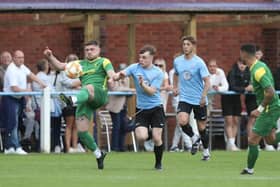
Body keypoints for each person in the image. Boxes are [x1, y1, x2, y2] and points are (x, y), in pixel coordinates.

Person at [44, 40, 115, 169]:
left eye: (92, 49)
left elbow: (111, 74)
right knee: (82, 131)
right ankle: (99, 154)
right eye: (87, 50)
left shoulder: (104, 61)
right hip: (85, 98)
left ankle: (71, 101)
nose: (89, 52)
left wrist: (112, 79)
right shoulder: (79, 64)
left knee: (88, 88)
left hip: (99, 94)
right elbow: (60, 66)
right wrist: (50, 56)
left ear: (98, 50)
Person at [113, 45, 165, 170]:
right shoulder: (134, 68)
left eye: (144, 57)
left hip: (156, 108)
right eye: (140, 57)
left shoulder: (158, 72)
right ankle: (151, 131)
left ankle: (158, 163)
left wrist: (142, 84)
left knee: (157, 139)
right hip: (141, 109)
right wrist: (115, 76)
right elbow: (120, 75)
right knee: (141, 137)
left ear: (151, 58)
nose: (141, 59)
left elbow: (152, 91)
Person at [240, 43, 280, 175]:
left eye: (241, 53)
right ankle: (249, 169)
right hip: (271, 107)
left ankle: (249, 169)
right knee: (270, 139)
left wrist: (260, 109)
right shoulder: (258, 66)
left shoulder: (258, 70)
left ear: (244, 54)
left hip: (269, 109)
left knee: (252, 139)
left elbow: (270, 92)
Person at [173, 36, 211, 161]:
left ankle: (206, 151)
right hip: (184, 98)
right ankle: (194, 138)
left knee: (202, 128)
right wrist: (175, 87)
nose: (185, 47)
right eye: (184, 44)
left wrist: (203, 96)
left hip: (199, 99)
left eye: (188, 44)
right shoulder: (178, 61)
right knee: (182, 121)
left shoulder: (199, 62)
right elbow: (175, 74)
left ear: (193, 46)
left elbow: (207, 82)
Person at [1, 50, 46, 155]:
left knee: (17, 123)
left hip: (19, 98)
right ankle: (16, 147)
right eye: (19, 57)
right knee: (13, 123)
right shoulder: (11, 70)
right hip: (10, 98)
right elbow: (14, 88)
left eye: (22, 57)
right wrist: (27, 91)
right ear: (14, 58)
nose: (21, 59)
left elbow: (31, 75)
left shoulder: (22, 67)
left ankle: (9, 147)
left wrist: (42, 83)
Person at [221, 59, 252, 151]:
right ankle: (230, 143)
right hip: (227, 99)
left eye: (244, 64)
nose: (242, 66)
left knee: (236, 121)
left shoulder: (248, 74)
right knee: (229, 121)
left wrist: (249, 88)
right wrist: (245, 89)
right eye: (241, 64)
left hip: (237, 99)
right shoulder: (232, 72)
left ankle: (232, 143)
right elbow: (232, 86)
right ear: (237, 63)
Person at [56, 54, 82, 153]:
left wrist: (77, 85)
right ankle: (67, 148)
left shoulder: (79, 71)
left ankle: (75, 147)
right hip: (68, 102)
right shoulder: (63, 72)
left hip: (78, 101)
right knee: (69, 125)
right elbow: (69, 84)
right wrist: (79, 83)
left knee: (76, 126)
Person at [106, 63, 135, 152]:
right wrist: (130, 90)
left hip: (123, 106)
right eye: (121, 72)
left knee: (123, 127)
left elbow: (127, 94)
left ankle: (121, 147)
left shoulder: (127, 79)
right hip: (114, 107)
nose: (122, 74)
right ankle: (115, 148)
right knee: (117, 127)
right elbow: (115, 90)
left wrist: (130, 92)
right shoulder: (113, 79)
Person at [169, 67, 193, 152]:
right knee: (182, 123)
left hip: (187, 100)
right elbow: (175, 87)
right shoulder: (173, 72)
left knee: (180, 124)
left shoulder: (187, 70)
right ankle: (189, 145)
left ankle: (174, 145)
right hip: (177, 101)